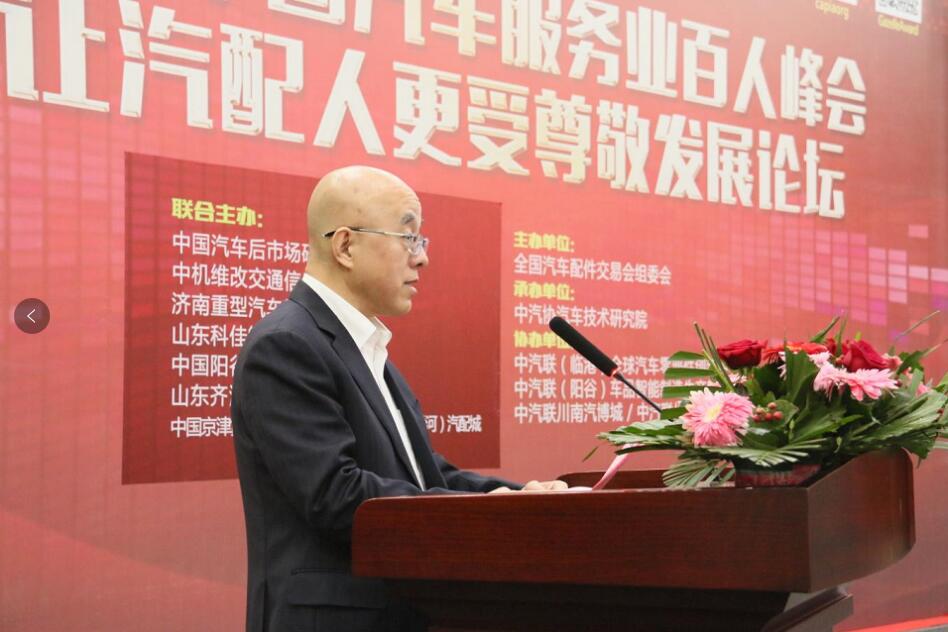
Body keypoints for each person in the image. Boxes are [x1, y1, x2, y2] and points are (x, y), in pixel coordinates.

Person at [232, 165, 566, 632]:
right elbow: (337, 496)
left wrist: (511, 501)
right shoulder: (287, 345)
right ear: (345, 246)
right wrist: (481, 515)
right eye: (409, 238)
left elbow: (423, 475)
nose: (422, 258)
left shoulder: (364, 347)